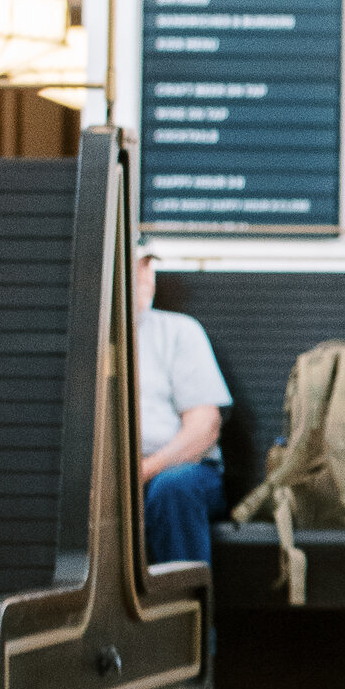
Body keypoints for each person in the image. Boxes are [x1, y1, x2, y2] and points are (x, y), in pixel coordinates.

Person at [133, 245, 230, 571]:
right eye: (136, 266)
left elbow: (205, 427)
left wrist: (144, 470)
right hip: (108, 474)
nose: (146, 277)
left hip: (181, 470)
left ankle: (193, 617)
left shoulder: (178, 331)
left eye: (148, 266)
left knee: (172, 487)